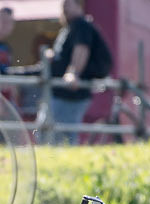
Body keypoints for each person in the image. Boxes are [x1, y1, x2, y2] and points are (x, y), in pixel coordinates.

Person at [49, 0, 112, 144]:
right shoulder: (69, 29)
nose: (64, 10)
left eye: (68, 5)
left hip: (71, 94)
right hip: (63, 93)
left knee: (63, 137)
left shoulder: (81, 25)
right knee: (52, 134)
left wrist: (74, 73)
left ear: (79, 6)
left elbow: (82, 49)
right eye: (63, 6)